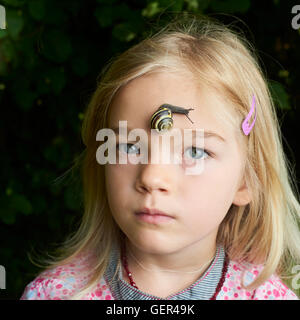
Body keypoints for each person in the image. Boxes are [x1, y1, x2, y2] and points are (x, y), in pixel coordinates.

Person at [21, 13, 300, 300]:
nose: (152, 177)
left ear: (246, 180)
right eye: (129, 146)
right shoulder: (56, 294)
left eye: (195, 151)